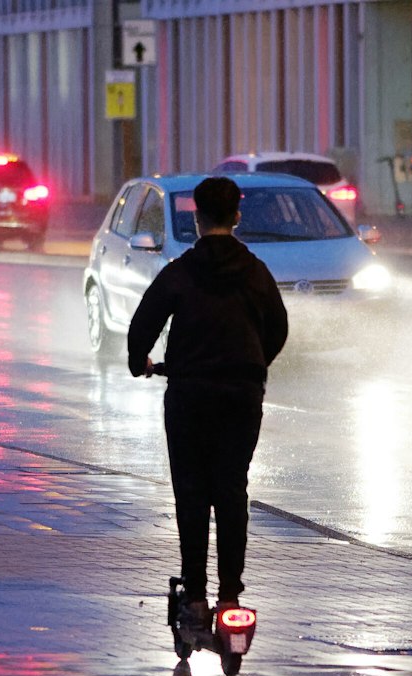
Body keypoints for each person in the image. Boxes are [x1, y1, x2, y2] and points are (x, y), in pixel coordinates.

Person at [127, 176, 288, 631]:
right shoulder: (256, 273)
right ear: (237, 217)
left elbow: (144, 324)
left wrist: (141, 363)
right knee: (232, 489)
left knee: (193, 493)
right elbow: (277, 328)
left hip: (190, 394)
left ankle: (195, 596)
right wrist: (254, 363)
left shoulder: (180, 271)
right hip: (241, 395)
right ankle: (231, 593)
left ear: (196, 218)